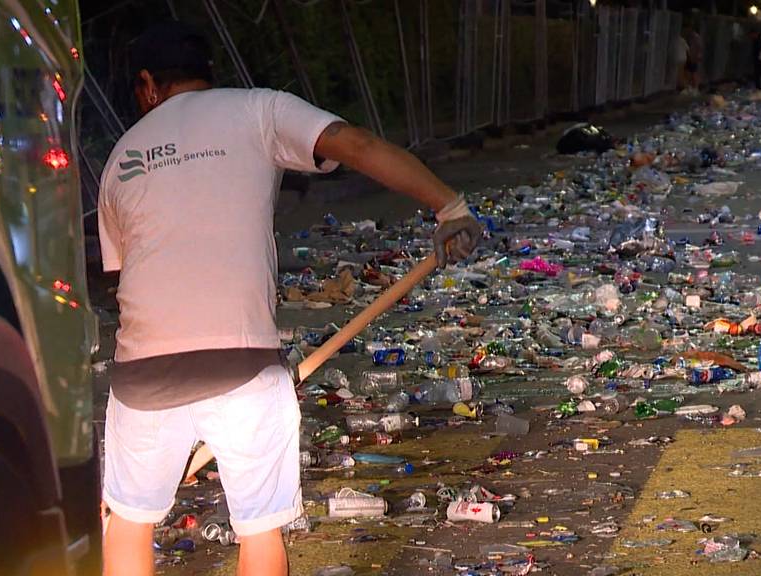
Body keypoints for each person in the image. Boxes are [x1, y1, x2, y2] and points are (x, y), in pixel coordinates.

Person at [98, 22, 483, 576]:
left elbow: (130, 276)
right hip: (244, 368)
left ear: (147, 85)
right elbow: (358, 145)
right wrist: (449, 207)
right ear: (210, 75)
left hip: (141, 374)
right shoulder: (258, 109)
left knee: (130, 523)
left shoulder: (122, 155)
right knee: (258, 531)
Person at [685, 25, 704, 93]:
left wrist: (697, 56)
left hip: (693, 57)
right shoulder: (691, 37)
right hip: (691, 57)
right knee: (690, 72)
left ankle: (695, 88)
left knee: (693, 72)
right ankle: (692, 87)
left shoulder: (695, 37)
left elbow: (699, 48)